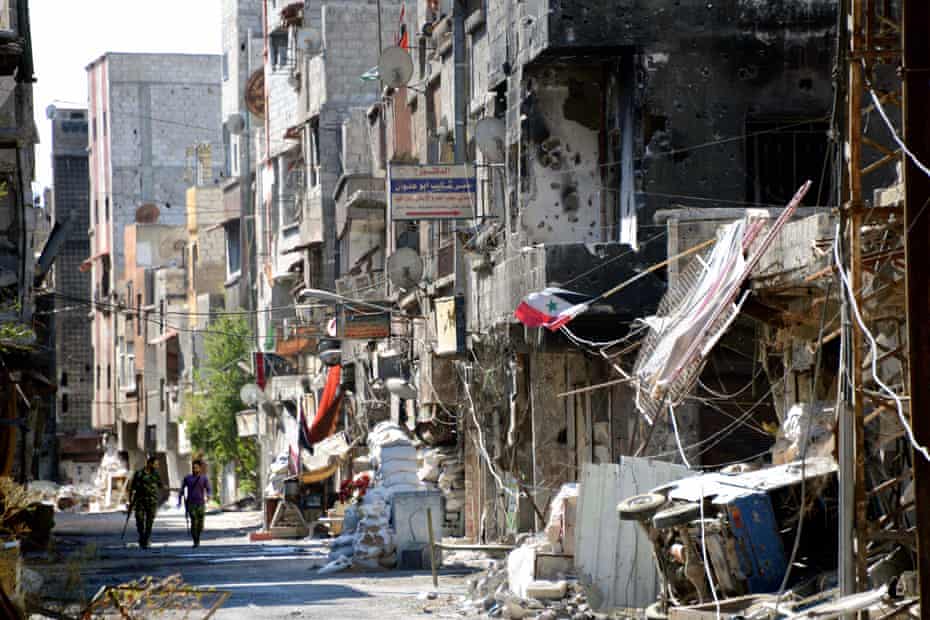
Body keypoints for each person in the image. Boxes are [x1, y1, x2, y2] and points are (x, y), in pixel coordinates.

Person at [128, 455, 162, 549]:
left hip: (152, 501)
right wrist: (130, 500)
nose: (157, 466)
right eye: (155, 464)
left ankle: (146, 539)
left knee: (149, 522)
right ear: (149, 463)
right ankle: (142, 536)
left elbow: (160, 485)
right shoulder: (139, 474)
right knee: (139, 520)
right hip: (140, 501)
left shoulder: (156, 474)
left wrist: (164, 487)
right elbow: (132, 488)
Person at [178, 459, 212, 547]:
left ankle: (198, 536)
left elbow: (208, 488)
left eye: (196, 468)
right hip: (191, 503)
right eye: (193, 468)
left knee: (200, 524)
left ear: (200, 468)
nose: (195, 469)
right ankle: (195, 541)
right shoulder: (188, 478)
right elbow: (182, 489)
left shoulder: (204, 478)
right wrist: (179, 500)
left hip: (201, 503)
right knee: (194, 521)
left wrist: (208, 495)